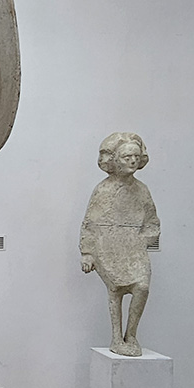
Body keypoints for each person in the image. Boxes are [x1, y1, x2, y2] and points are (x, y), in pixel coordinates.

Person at [80, 133, 160, 357]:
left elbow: (152, 222)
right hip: (107, 246)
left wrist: (142, 240)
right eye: (127, 157)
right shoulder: (103, 190)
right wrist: (87, 253)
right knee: (115, 290)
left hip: (133, 248)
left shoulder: (142, 190)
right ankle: (116, 337)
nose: (132, 161)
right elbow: (89, 223)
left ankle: (131, 334)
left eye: (136, 156)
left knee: (142, 287)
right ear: (114, 160)